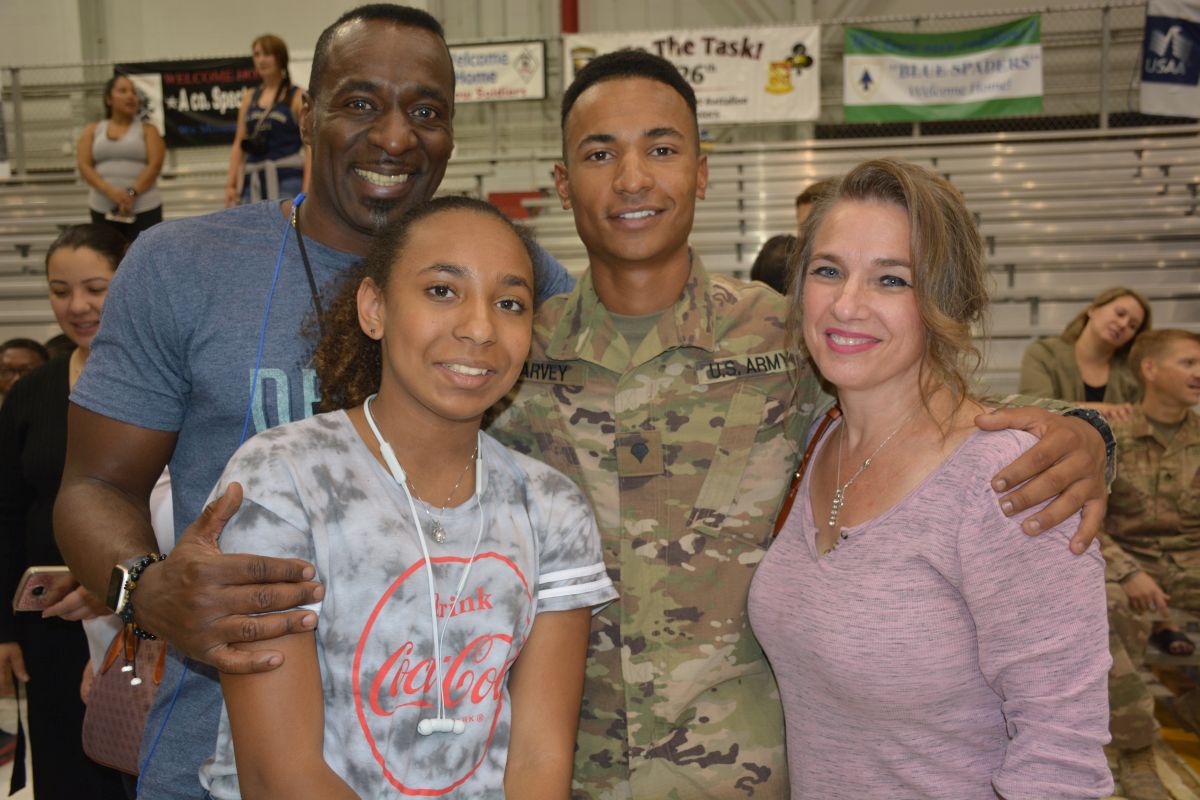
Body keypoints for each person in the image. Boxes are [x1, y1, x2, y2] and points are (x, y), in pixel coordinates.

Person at [486, 49, 1111, 798]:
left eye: (662, 149)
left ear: (702, 172)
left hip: (743, 776)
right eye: (599, 154)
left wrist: (1091, 434)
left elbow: (944, 415)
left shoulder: (788, 338)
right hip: (564, 771)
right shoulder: (509, 354)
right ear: (562, 184)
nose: (632, 178)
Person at [53, 6, 573, 798]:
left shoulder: (515, 281)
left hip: (455, 761)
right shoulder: (182, 267)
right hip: (219, 762)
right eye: (360, 102)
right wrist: (144, 590)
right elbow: (94, 485)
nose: (395, 136)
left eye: (426, 111)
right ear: (305, 112)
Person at [198, 196, 614, 798]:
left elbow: (539, 759)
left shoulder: (550, 506)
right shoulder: (282, 479)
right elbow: (278, 774)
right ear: (375, 308)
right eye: (442, 291)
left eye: (509, 303)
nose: (479, 328)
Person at [748, 159, 1112, 799]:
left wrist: (1093, 433)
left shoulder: (1007, 480)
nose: (846, 304)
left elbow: (1062, 762)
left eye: (891, 279)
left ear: (948, 301)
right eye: (827, 270)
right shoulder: (813, 440)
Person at [0, 224, 131, 799]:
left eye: (95, 288)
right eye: (60, 291)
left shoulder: (170, 379)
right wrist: (5, 631)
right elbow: (7, 513)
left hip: (143, 617)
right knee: (64, 771)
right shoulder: (32, 392)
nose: (77, 306)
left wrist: (126, 590)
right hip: (51, 622)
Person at [1100, 329, 1200, 800]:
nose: (1199, 373)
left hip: (1191, 563)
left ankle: (1192, 702)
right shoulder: (1111, 437)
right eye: (1188, 362)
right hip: (1127, 563)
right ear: (1150, 369)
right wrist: (1127, 572)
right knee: (1105, 607)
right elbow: (1086, 519)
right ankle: (1135, 747)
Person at [1020, 286, 1152, 422]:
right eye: (1120, 313)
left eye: (1132, 326)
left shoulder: (1132, 373)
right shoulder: (1043, 353)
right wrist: (1099, 410)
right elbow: (1035, 408)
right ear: (1093, 309)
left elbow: (1142, 422)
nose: (1123, 324)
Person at [77, 74, 166, 241]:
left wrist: (131, 193)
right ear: (108, 99)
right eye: (123, 91)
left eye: (133, 92)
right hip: (102, 208)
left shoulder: (149, 130)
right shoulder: (92, 130)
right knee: (107, 253)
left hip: (145, 208)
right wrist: (111, 192)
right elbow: (84, 165)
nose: (130, 96)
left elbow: (155, 166)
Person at [225, 34, 309, 207]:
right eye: (257, 54)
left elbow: (310, 148)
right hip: (253, 178)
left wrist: (307, 190)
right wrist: (230, 184)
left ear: (280, 58)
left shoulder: (296, 96)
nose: (261, 60)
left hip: (287, 178)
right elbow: (239, 144)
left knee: (286, 224)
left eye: (267, 54)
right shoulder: (249, 97)